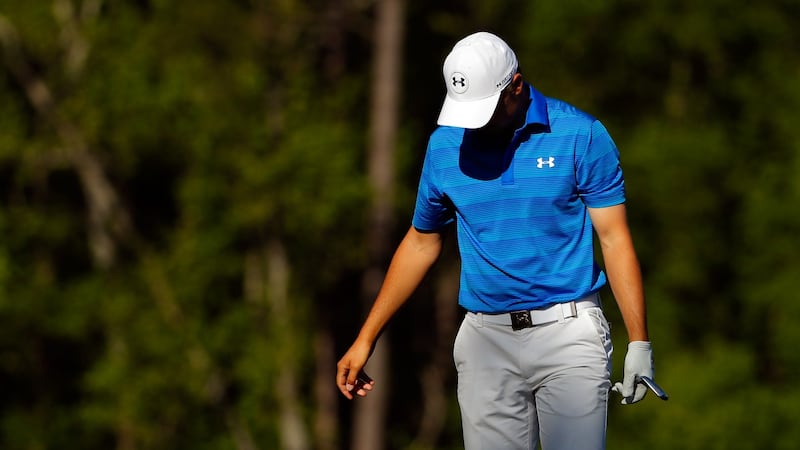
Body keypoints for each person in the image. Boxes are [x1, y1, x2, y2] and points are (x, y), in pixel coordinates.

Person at [336, 31, 656, 450]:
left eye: (485, 109)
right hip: (485, 341)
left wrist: (639, 341)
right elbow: (420, 243)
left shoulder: (581, 134)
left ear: (516, 87)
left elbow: (614, 240)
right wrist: (366, 338)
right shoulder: (444, 145)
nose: (476, 123)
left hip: (570, 333)